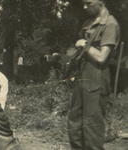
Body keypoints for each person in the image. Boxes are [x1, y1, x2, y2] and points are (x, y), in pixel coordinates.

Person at [68, 0, 120, 150]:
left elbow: (102, 57)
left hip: (97, 76)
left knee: (92, 127)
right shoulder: (89, 22)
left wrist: (83, 44)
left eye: (88, 3)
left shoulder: (110, 24)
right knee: (75, 124)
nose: (85, 7)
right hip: (82, 75)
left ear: (101, 1)